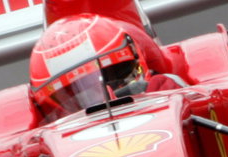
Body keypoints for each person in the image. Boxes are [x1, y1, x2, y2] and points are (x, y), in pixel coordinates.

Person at [27, 14, 180, 121]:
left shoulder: (167, 91)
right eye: (78, 95)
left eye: (114, 79)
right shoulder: (50, 138)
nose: (102, 100)